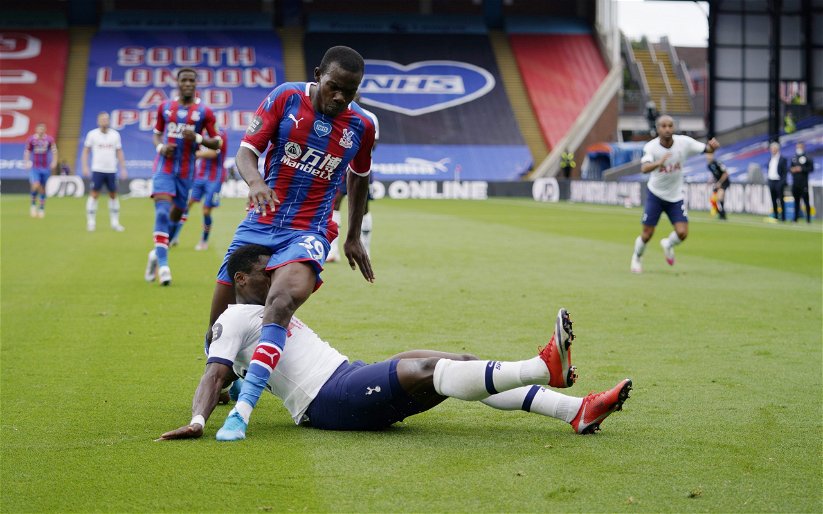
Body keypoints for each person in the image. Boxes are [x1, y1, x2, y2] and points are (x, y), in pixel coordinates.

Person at [157, 244, 631, 442]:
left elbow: (238, 379)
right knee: (428, 373)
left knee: (453, 361)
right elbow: (214, 372)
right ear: (241, 278)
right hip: (328, 402)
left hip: (345, 374)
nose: (278, 276)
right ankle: (537, 367)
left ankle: (575, 411)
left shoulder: (269, 310)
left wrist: (235, 394)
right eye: (267, 271)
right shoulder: (235, 317)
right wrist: (198, 419)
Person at [208, 46, 377, 440]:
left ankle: (244, 409)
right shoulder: (286, 97)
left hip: (310, 230)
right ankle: (238, 372)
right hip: (260, 222)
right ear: (318, 74)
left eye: (348, 92)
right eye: (334, 87)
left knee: (281, 302)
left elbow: (360, 175)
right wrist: (255, 182)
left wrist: (351, 235)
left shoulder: (364, 125)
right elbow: (248, 151)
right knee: (217, 328)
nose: (339, 98)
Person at [143, 68, 221, 286]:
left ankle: (155, 255)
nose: (187, 83)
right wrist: (160, 148)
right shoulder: (165, 108)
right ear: (177, 83)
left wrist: (197, 137)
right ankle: (164, 266)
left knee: (175, 216)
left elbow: (217, 143)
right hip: (164, 168)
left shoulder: (205, 112)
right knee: (161, 211)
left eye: (191, 80)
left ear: (196, 84)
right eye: (183, 80)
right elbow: (157, 134)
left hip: (187, 174)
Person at [630, 115, 719, 273]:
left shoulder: (684, 143)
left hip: (675, 196)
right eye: (663, 126)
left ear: (674, 128)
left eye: (670, 126)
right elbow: (644, 168)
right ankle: (637, 258)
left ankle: (668, 244)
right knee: (647, 234)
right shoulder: (651, 147)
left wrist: (712, 147)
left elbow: (706, 149)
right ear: (658, 129)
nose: (667, 129)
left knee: (683, 233)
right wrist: (659, 163)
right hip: (655, 195)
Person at [327, 94, 378, 262]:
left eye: (354, 93)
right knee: (335, 202)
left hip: (360, 167)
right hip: (340, 166)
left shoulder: (369, 117)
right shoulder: (336, 114)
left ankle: (365, 249)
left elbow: (373, 144)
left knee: (363, 207)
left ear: (359, 96)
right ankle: (332, 251)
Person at [170, 128, 229, 250]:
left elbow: (214, 153)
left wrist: (195, 154)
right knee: (186, 205)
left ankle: (204, 241)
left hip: (215, 177)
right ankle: (174, 236)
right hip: (199, 175)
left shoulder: (220, 134)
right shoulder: (200, 133)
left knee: (206, 210)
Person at [81, 112, 128, 232]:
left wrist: (123, 168)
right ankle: (91, 222)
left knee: (113, 195)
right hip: (97, 169)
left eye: (106, 119)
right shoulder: (92, 134)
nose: (104, 121)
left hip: (111, 170)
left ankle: (115, 222)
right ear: (98, 121)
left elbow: (119, 151)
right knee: (94, 194)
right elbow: (86, 151)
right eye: (102, 119)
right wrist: (85, 166)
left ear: (109, 121)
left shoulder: (115, 135)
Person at [23, 123, 58, 218]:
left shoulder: (49, 140)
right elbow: (27, 151)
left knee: (42, 188)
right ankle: (33, 205)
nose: (41, 130)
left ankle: (41, 208)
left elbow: (54, 151)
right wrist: (26, 162)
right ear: (36, 129)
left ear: (45, 130)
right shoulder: (31, 140)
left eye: (42, 129)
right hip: (35, 167)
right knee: (36, 185)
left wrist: (54, 161)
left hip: (45, 167)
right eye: (39, 129)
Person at [790, 142, 813, 223]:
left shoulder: (807, 157)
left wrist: (801, 169)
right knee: (796, 202)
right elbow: (790, 168)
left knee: (806, 201)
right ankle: (795, 218)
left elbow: (811, 168)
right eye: (797, 147)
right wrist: (792, 170)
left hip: (804, 183)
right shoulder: (794, 157)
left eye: (800, 147)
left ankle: (808, 219)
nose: (798, 148)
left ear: (803, 147)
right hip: (795, 183)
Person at [766, 142, 788, 222]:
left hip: (779, 181)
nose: (772, 150)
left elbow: (785, 172)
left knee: (781, 199)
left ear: (777, 149)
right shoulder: (770, 159)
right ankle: (775, 216)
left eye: (774, 149)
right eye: (771, 149)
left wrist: (782, 182)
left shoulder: (782, 159)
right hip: (771, 181)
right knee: (773, 199)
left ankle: (783, 217)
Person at [706, 153, 730, 220]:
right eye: (707, 155)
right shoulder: (709, 165)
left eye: (709, 155)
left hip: (724, 182)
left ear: (712, 156)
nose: (708, 157)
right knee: (713, 199)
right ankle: (720, 213)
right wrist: (710, 181)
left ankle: (722, 213)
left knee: (719, 197)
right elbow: (714, 175)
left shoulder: (718, 163)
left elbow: (726, 173)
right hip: (717, 183)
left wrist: (720, 182)